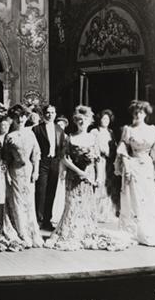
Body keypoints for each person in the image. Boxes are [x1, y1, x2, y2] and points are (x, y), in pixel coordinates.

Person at [46, 106, 134, 251]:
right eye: (79, 120)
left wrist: (99, 176)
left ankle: (85, 231)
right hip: (74, 177)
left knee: (87, 205)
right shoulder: (70, 138)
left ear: (89, 121)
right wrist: (79, 171)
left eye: (85, 120)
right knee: (72, 204)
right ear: (75, 121)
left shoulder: (93, 138)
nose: (82, 122)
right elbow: (64, 158)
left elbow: (97, 159)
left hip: (89, 177)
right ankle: (72, 231)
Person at [0, 104, 43, 252]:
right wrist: (6, 175)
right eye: (17, 117)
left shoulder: (31, 134)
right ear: (13, 118)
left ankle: (30, 231)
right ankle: (20, 232)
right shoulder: (9, 136)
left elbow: (36, 154)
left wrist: (36, 171)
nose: (20, 119)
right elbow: (5, 160)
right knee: (16, 202)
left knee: (29, 202)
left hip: (28, 172)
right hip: (15, 172)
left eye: (23, 116)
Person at [116, 100, 155, 246]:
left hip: (147, 167)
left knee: (148, 198)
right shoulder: (128, 129)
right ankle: (133, 233)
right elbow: (123, 149)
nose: (138, 115)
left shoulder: (153, 130)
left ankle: (147, 232)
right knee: (133, 200)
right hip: (133, 166)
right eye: (136, 112)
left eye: (141, 112)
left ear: (145, 114)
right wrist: (126, 166)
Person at [33, 104, 66, 231]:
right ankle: (39, 220)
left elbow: (62, 149)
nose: (50, 115)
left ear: (55, 114)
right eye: (48, 112)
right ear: (43, 114)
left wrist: (61, 166)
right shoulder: (37, 129)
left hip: (55, 162)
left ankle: (47, 220)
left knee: (51, 192)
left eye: (52, 112)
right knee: (40, 191)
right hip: (42, 162)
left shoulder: (59, 129)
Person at [92, 109, 118, 223]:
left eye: (107, 119)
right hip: (99, 161)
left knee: (108, 186)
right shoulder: (94, 132)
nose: (105, 121)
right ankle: (96, 212)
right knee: (99, 183)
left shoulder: (110, 132)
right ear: (100, 119)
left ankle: (107, 212)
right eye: (103, 118)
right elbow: (92, 145)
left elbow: (114, 147)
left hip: (109, 162)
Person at [51, 116, 69, 227]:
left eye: (62, 125)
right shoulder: (53, 136)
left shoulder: (67, 137)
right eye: (58, 125)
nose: (60, 127)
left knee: (61, 188)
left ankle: (60, 214)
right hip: (54, 163)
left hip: (63, 163)